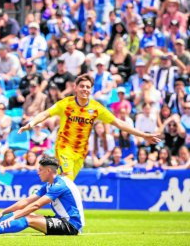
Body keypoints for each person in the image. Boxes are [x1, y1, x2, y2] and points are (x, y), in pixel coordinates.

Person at [18, 74, 161, 181]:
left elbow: (119, 123)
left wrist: (143, 135)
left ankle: (41, 199)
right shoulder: (65, 103)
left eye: (88, 87)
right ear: (75, 87)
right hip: (64, 147)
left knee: (65, 185)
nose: (85, 89)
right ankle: (62, 215)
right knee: (66, 179)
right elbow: (45, 114)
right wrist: (30, 124)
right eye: (82, 86)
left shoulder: (96, 108)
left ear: (91, 90)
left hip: (80, 152)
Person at [0, 156, 84, 236]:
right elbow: (26, 201)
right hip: (61, 220)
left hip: (71, 226)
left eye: (40, 169)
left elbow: (36, 205)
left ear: (48, 171)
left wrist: (14, 217)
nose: (38, 172)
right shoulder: (50, 184)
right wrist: (4, 212)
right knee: (23, 213)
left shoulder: (59, 185)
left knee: (28, 219)